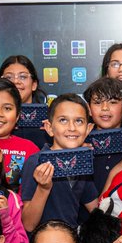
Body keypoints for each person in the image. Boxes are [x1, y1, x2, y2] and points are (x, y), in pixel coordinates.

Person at [20, 94, 99, 231]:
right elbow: (28, 224)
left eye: (79, 121)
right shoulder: (35, 162)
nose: (72, 128)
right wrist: (43, 188)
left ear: (88, 129)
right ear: (49, 128)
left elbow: (95, 209)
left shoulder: (83, 163)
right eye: (63, 120)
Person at [84, 76, 122, 192]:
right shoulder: (80, 143)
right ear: (89, 109)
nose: (105, 108)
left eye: (113, 102)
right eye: (98, 102)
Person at [0, 55, 50, 149]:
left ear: (34, 85)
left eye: (22, 77)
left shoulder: (49, 118)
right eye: (9, 77)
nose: (15, 81)